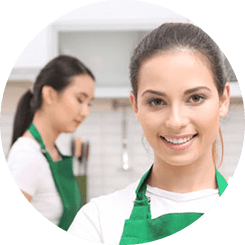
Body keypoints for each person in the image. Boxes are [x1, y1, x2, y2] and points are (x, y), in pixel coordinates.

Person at [68, 23, 231, 244]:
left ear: (223, 100)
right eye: (156, 101)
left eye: (195, 98)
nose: (175, 121)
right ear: (135, 106)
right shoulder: (98, 222)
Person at [7, 55, 95, 231]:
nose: (85, 112)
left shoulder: (55, 151)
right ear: (49, 94)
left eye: (89, 104)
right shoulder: (26, 155)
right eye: (80, 99)